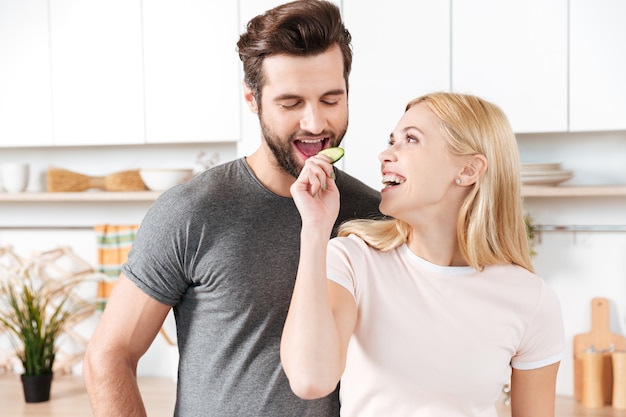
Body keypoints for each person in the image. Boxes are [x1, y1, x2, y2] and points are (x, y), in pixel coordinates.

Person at [82, 1, 382, 416]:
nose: (315, 123)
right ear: (253, 100)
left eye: (331, 99)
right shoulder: (192, 212)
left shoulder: (374, 217)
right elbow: (109, 355)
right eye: (291, 103)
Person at [281, 92, 565, 417]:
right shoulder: (353, 261)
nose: (385, 153)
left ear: (469, 169)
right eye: (392, 140)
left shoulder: (531, 300)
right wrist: (315, 227)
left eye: (410, 139)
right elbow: (310, 381)